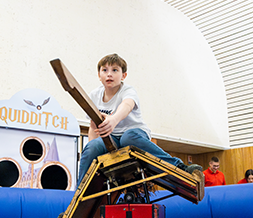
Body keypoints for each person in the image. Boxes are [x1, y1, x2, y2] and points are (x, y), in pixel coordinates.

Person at [77, 53, 204, 186]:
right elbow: (93, 126)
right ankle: (80, 191)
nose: (109, 74)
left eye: (115, 70)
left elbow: (126, 105)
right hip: (111, 138)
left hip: (134, 132)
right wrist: (93, 149)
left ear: (123, 75)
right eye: (104, 70)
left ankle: (179, 167)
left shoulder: (128, 90)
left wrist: (113, 120)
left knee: (128, 138)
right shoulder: (94, 95)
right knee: (92, 147)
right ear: (99, 75)